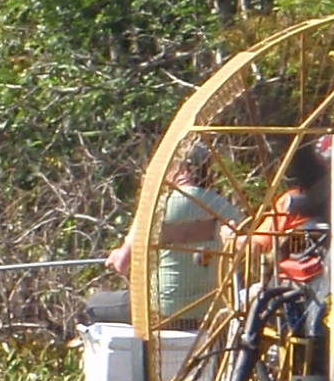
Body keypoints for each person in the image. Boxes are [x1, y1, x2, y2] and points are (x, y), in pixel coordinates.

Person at [92, 139, 241, 325]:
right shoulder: (220, 205)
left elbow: (123, 264)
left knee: (93, 305)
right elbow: (246, 242)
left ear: (181, 169)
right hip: (209, 312)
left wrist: (116, 256)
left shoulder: (156, 206)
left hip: (162, 312)